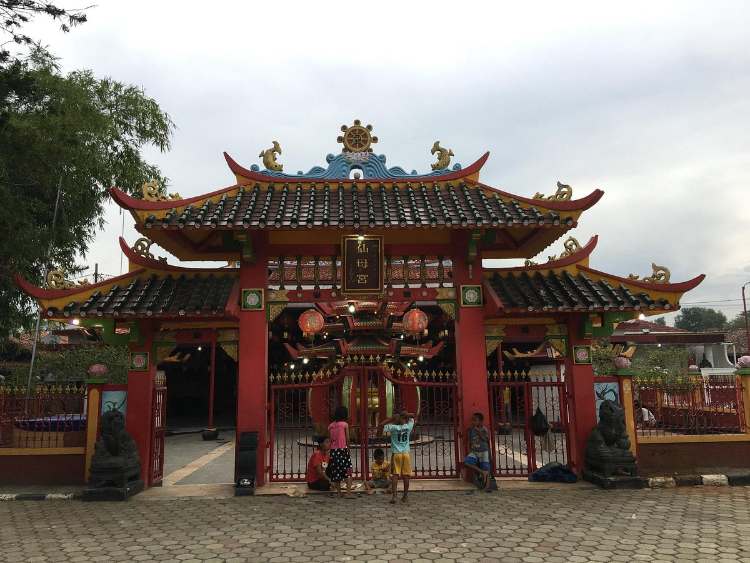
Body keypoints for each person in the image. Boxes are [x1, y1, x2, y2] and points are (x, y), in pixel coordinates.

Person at [381, 410, 415, 504]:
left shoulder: (393, 427)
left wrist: (392, 419)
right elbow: (413, 417)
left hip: (396, 454)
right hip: (406, 454)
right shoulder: (408, 427)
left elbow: (381, 424)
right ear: (405, 418)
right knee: (406, 476)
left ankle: (394, 496)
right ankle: (405, 496)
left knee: (395, 475)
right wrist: (407, 414)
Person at [327, 405, 354, 497]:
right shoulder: (344, 425)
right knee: (348, 471)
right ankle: (348, 492)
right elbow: (348, 439)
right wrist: (348, 449)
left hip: (334, 452)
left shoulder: (330, 426)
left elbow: (330, 440)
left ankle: (339, 493)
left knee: (336, 472)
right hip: (343, 450)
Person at [463, 412, 492, 490]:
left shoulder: (484, 429)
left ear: (480, 421)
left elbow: (486, 439)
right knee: (467, 462)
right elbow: (469, 441)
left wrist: (479, 431)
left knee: (486, 466)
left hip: (484, 451)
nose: (473, 422)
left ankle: (487, 486)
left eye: (475, 420)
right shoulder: (470, 430)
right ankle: (482, 472)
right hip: (474, 451)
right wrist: (469, 451)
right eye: (472, 420)